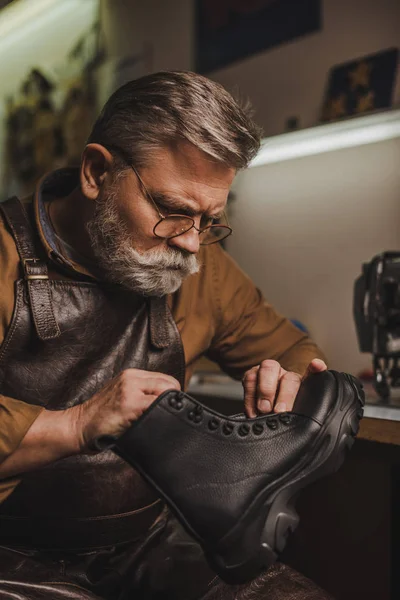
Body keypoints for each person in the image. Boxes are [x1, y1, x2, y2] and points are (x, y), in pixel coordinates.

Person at [0, 71, 332, 599]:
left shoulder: (197, 264)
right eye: (173, 210)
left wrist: (285, 379)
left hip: (145, 545)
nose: (192, 245)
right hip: (12, 553)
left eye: (209, 220)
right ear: (95, 172)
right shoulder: (4, 258)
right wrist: (77, 423)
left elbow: (290, 348)